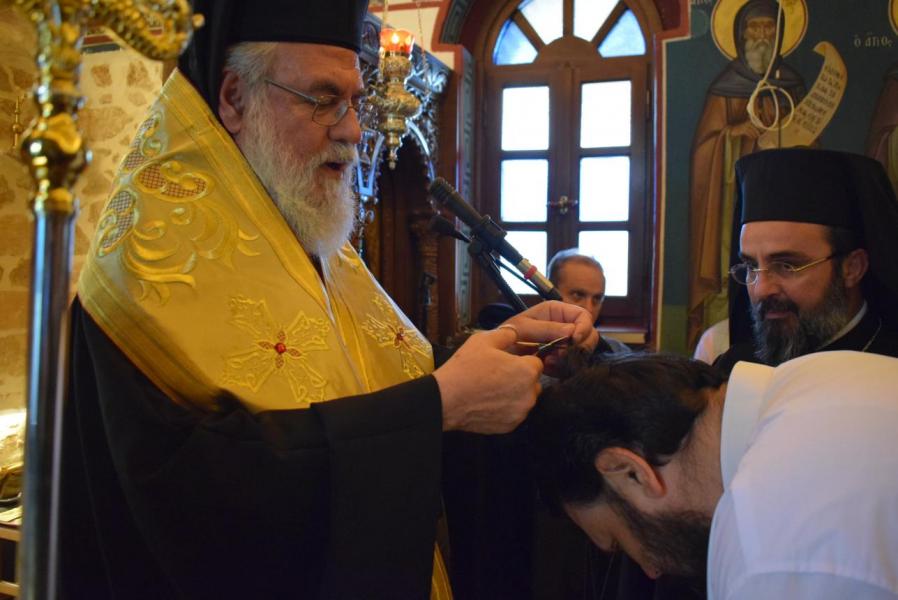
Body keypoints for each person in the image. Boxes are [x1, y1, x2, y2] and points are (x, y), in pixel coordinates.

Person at [59, 2, 598, 599]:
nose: (353, 131)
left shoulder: (305, 235)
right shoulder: (142, 272)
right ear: (234, 99)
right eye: (323, 99)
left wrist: (500, 355)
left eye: (355, 101)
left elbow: (361, 383)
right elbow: (197, 499)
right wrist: (437, 407)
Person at [529, 351, 898, 600]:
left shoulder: (766, 552)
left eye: (621, 541)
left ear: (630, 473)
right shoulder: (815, 373)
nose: (651, 570)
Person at [715, 148, 898, 373]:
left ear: (853, 268)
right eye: (752, 266)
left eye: (786, 266)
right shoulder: (733, 370)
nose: (761, 289)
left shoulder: (890, 371)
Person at [688, 0, 805, 349]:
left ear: (780, 35)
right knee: (734, 266)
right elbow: (705, 148)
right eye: (754, 28)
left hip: (785, 201)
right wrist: (733, 135)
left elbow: (809, 144)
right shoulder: (724, 86)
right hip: (731, 199)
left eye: (768, 28)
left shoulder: (792, 84)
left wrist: (784, 138)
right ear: (740, 35)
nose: (761, 36)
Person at [547, 249, 629, 354]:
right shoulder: (528, 351)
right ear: (549, 295)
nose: (589, 309)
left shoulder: (617, 352)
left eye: (597, 298)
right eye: (578, 295)